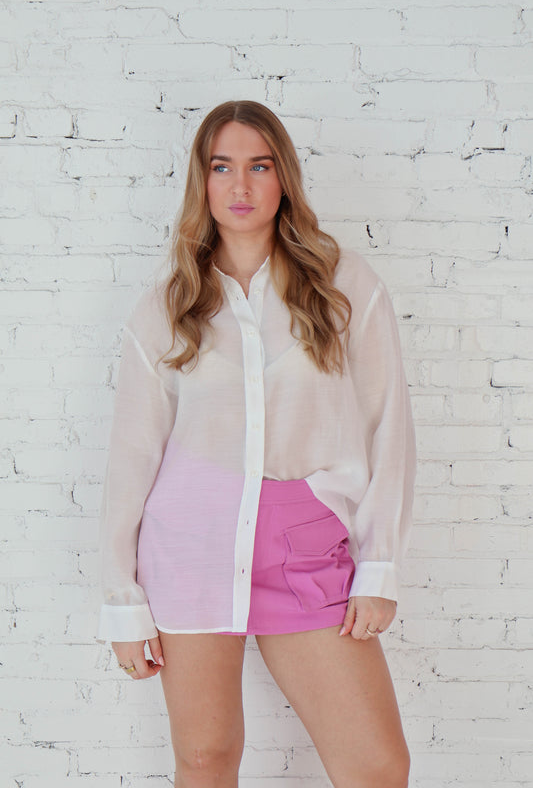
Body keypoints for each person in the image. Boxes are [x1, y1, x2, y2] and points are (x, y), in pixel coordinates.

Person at [96, 99, 416, 788]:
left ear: (283, 179)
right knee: (205, 760)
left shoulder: (343, 286)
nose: (239, 186)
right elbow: (131, 459)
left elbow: (388, 423)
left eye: (258, 166)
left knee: (375, 767)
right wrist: (122, 599)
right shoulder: (166, 306)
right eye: (221, 167)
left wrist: (379, 567)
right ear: (201, 182)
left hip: (306, 554)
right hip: (188, 553)